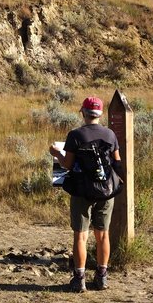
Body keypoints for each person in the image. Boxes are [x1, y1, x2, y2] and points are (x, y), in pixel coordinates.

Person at [49, 96, 122, 293]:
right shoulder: (110, 134)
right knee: (103, 235)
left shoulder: (75, 135)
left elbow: (68, 164)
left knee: (80, 236)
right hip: (106, 191)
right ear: (100, 114)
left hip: (82, 190)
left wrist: (56, 153)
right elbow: (117, 162)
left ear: (83, 112)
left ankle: (79, 278)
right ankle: (102, 277)